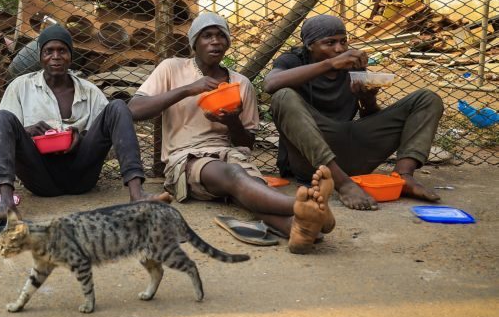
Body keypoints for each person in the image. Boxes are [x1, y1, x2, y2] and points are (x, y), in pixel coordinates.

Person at [128, 13, 334, 254]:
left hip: (230, 152)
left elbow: (247, 142)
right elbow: (134, 109)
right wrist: (187, 90)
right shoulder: (172, 69)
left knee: (251, 186)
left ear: (227, 43)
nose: (215, 41)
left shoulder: (240, 83)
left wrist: (232, 121)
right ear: (194, 43)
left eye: (220, 36)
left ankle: (297, 228)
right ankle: (300, 206)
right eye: (207, 36)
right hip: (185, 158)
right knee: (234, 175)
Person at [0, 24, 153, 235]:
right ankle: (6, 204)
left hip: (82, 174)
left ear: (70, 55)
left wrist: (82, 138)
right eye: (49, 51)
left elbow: (112, 146)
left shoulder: (90, 91)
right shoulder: (20, 86)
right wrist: (28, 131)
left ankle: (136, 194)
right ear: (40, 57)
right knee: (3, 117)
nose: (56, 56)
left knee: (119, 107)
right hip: (39, 176)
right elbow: (4, 137)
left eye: (62, 51)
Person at [264, 14, 443, 210]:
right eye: (329, 43)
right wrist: (329, 64)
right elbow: (271, 84)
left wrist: (367, 100)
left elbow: (369, 117)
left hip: (352, 147)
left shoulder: (351, 66)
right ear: (309, 45)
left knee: (427, 98)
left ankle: (403, 176)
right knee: (283, 96)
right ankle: (342, 183)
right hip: (314, 163)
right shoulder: (293, 61)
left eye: (343, 41)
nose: (339, 49)